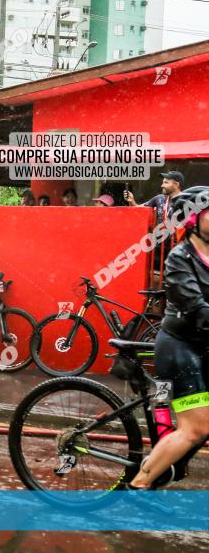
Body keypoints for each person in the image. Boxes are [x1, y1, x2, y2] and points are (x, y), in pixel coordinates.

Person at [129, 186, 209, 490]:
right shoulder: (179, 258)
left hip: (203, 346)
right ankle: (137, 488)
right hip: (180, 348)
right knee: (195, 428)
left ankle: (171, 461)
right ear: (193, 219)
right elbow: (198, 310)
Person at [125, 171, 185, 271]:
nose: (162, 185)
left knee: (176, 277)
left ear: (176, 184)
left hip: (178, 246)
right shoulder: (159, 199)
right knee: (156, 275)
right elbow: (138, 210)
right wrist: (132, 201)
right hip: (160, 245)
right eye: (163, 182)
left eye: (166, 182)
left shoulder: (187, 199)